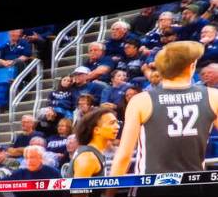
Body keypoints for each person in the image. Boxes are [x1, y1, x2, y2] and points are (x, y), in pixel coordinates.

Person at [112, 41, 218, 176]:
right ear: (192, 67)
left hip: (150, 186)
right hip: (194, 185)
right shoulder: (213, 96)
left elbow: (124, 155)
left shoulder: (140, 100)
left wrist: (110, 194)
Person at [69, 106, 120, 177]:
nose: (117, 126)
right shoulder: (88, 158)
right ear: (96, 130)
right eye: (112, 123)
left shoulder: (94, 153)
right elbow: (79, 188)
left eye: (117, 123)